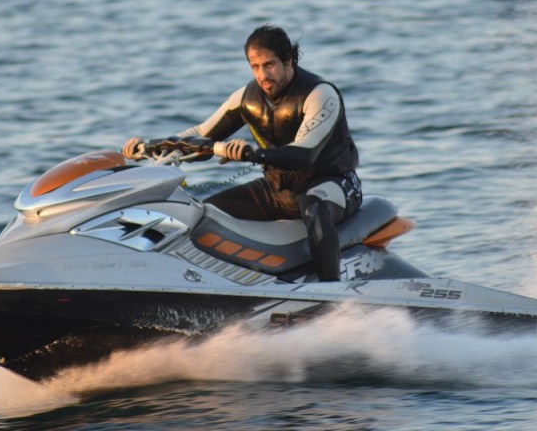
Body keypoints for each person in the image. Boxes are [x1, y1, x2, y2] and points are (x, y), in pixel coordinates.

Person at [122, 25, 361, 281]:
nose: (262, 75)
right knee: (201, 215)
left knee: (315, 208)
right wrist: (150, 148)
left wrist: (251, 155)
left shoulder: (320, 94)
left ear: (289, 61)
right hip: (278, 191)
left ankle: (331, 295)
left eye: (269, 65)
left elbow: (305, 155)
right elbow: (202, 133)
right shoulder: (246, 98)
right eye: (255, 67)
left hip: (332, 184)